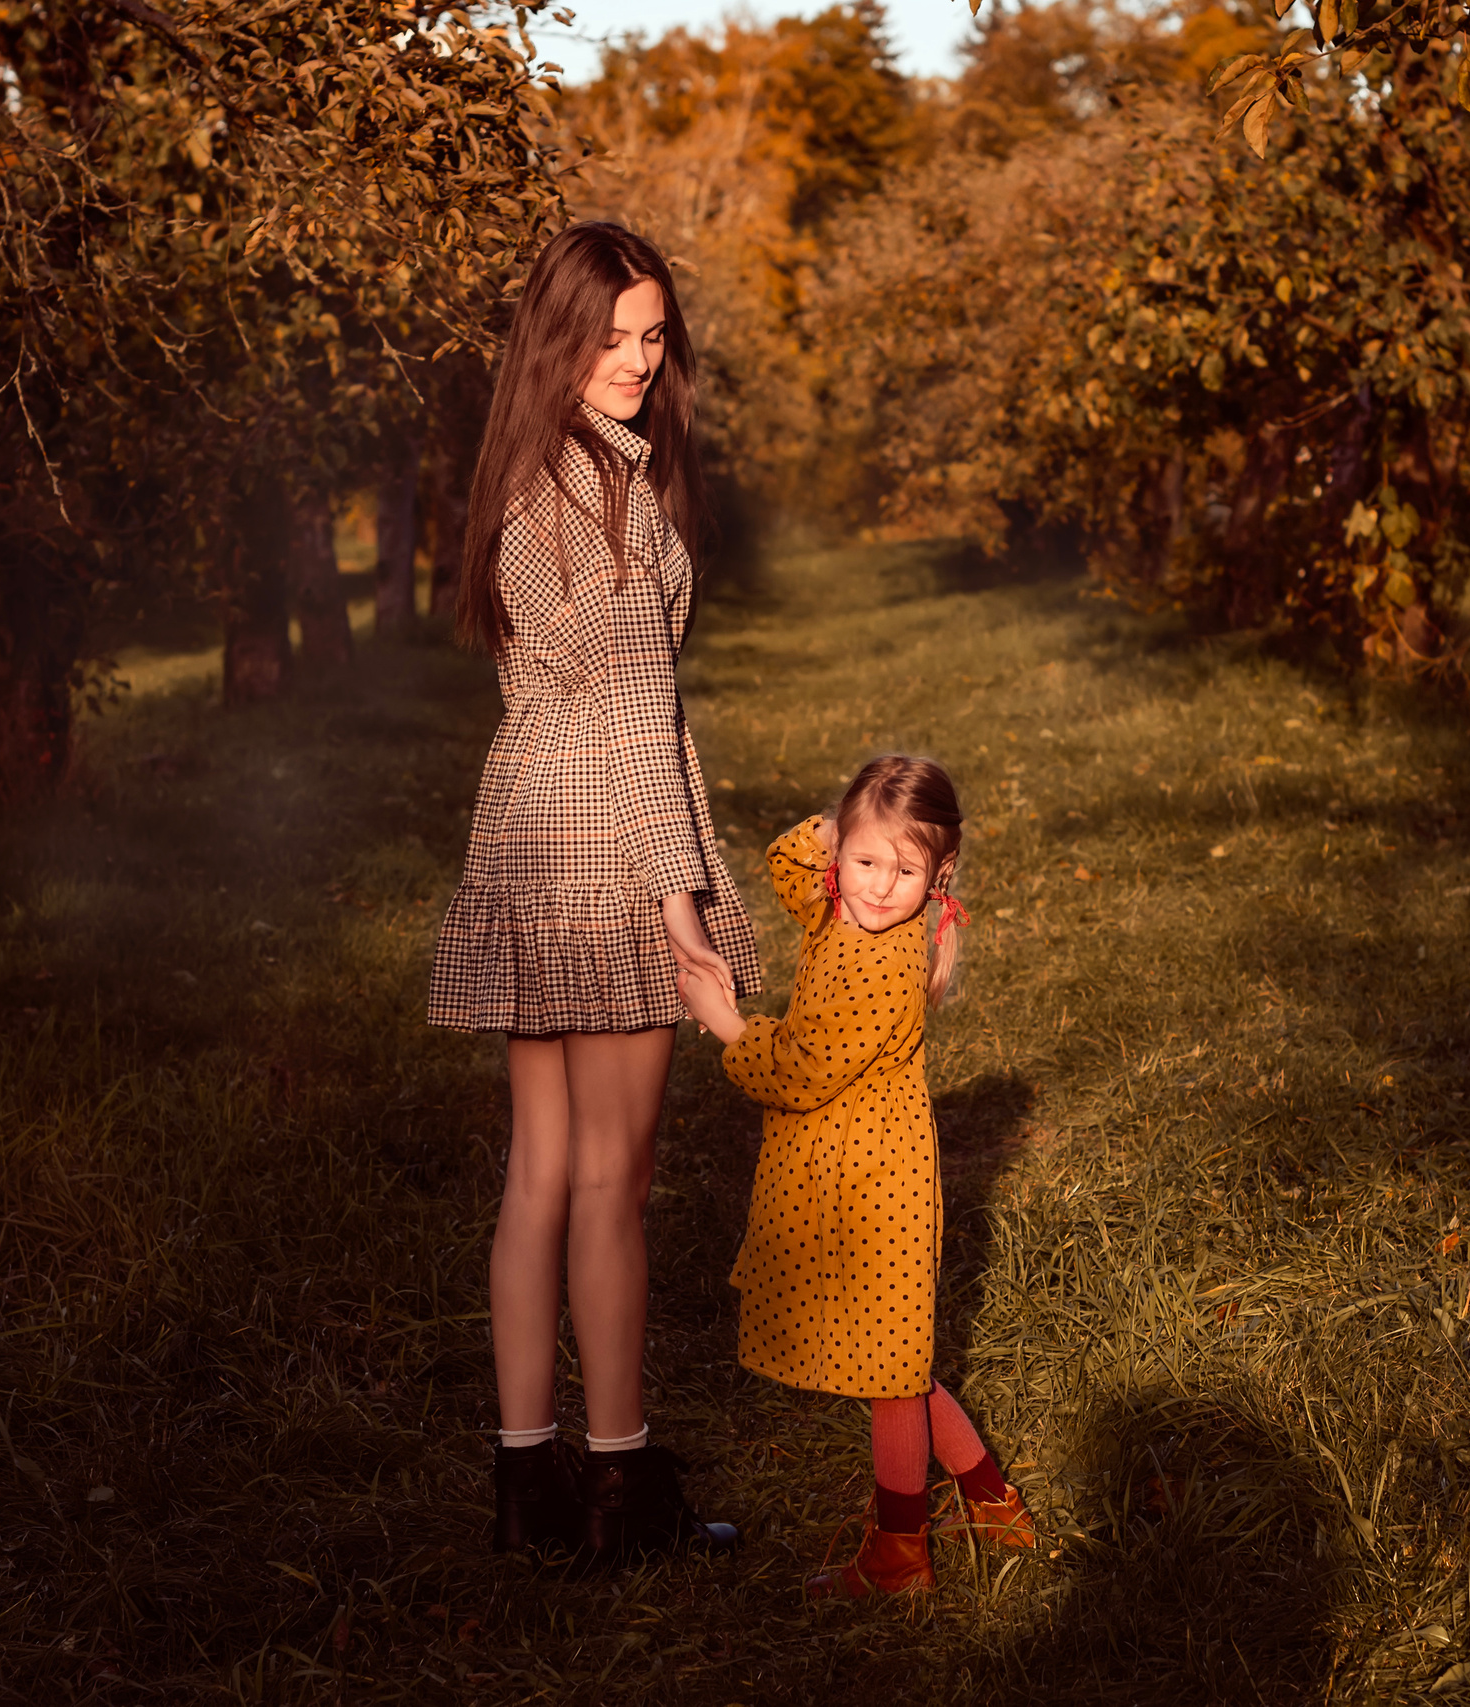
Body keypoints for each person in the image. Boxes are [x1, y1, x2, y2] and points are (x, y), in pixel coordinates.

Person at [430, 221, 764, 1563]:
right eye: (611, 336)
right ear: (558, 341)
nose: (637, 360)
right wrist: (686, 911)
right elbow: (634, 709)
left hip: (523, 828)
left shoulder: (527, 475)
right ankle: (621, 1484)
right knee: (613, 1182)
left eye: (652, 335)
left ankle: (527, 1487)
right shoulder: (609, 496)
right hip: (611, 844)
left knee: (540, 1177)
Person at [678, 754, 1034, 1598]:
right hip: (842, 1171)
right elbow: (789, 866)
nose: (876, 887)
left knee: (890, 1371)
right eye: (866, 861)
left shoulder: (884, 963)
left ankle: (901, 1552)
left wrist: (727, 1025)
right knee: (895, 1362)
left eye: (904, 870)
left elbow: (798, 1069)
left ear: (938, 875)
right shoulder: (843, 897)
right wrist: (846, 824)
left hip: (874, 1186)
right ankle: (991, 1499)